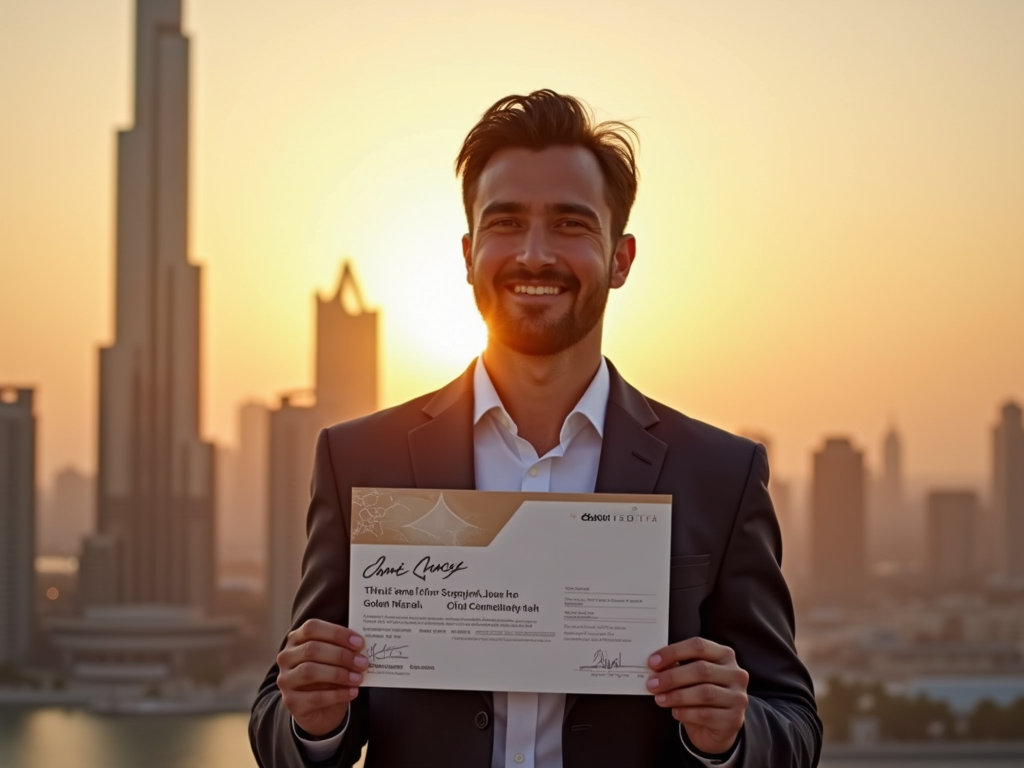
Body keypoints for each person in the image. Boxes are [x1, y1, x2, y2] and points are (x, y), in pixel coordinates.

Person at [249, 89, 821, 768]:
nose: (535, 254)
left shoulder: (720, 474)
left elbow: (793, 726)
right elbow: (277, 726)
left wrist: (731, 733)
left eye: (572, 225)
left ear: (621, 258)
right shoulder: (359, 458)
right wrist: (314, 722)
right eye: (507, 222)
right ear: (468, 254)